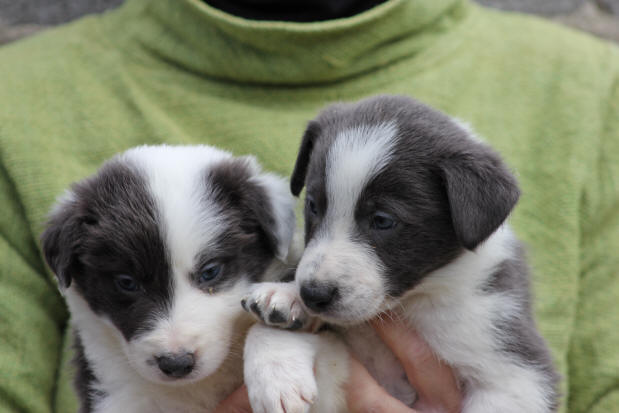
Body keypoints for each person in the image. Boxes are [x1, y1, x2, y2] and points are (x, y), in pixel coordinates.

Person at [0, 0, 617, 412]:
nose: (314, 270)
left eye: (382, 222)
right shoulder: (18, 97)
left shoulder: (594, 91)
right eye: (316, 212)